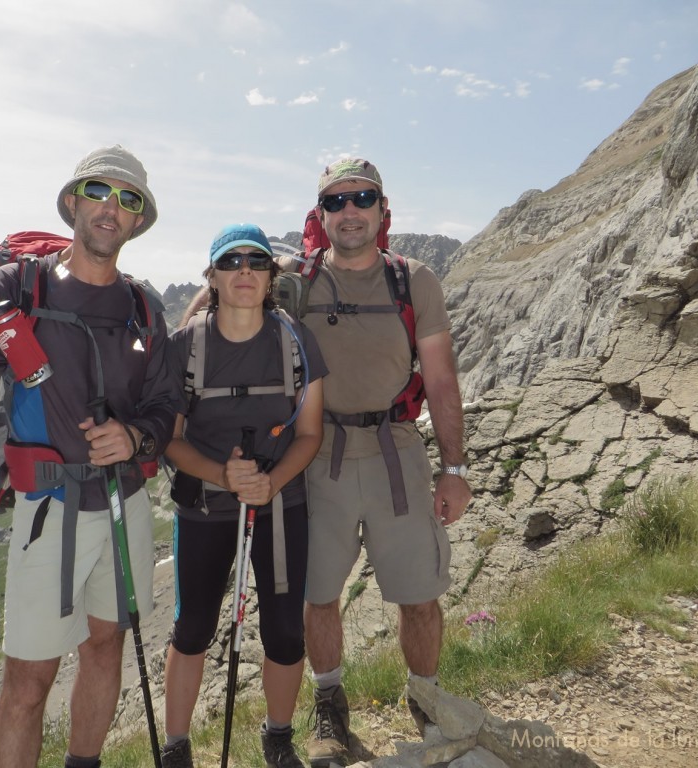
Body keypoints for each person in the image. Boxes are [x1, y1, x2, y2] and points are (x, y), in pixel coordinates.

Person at [0, 145, 181, 768]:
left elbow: (163, 404)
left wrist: (136, 439)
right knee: (29, 679)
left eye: (128, 200)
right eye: (100, 191)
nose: (112, 208)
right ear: (74, 201)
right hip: (49, 508)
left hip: (125, 502)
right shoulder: (16, 288)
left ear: (137, 221)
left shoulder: (144, 307)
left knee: (106, 647)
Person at [288, 158, 472, 767]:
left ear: (381, 208)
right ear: (321, 215)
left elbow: (441, 382)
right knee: (320, 596)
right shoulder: (296, 281)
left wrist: (455, 469)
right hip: (321, 455)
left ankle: (426, 701)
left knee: (419, 594)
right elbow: (220, 312)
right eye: (336, 201)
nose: (350, 211)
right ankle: (330, 709)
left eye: (361, 197)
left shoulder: (412, 280)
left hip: (396, 450)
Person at [160, 224, 328, 768]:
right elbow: (170, 439)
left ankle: (278, 739)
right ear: (212, 277)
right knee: (192, 628)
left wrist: (270, 482)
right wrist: (225, 475)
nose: (245, 272)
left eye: (256, 261)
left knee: (283, 628)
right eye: (231, 263)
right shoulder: (186, 346)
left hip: (282, 506)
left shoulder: (295, 340)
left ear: (271, 276)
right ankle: (177, 748)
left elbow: (310, 435)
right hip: (206, 507)